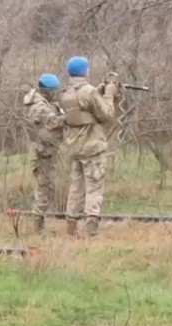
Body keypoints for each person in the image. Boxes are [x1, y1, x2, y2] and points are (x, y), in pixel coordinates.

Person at [59, 56, 118, 238]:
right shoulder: (88, 92)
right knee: (94, 187)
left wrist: (98, 93)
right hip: (92, 147)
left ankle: (71, 228)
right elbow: (106, 114)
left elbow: (83, 110)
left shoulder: (66, 93)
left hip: (74, 147)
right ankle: (92, 231)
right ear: (85, 71)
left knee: (75, 188)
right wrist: (108, 94)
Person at [23, 73, 65, 232]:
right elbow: (53, 122)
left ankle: (39, 224)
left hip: (46, 150)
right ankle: (38, 227)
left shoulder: (41, 103)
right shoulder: (39, 107)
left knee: (46, 188)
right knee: (45, 188)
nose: (56, 93)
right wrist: (70, 117)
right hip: (43, 153)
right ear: (47, 91)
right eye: (54, 91)